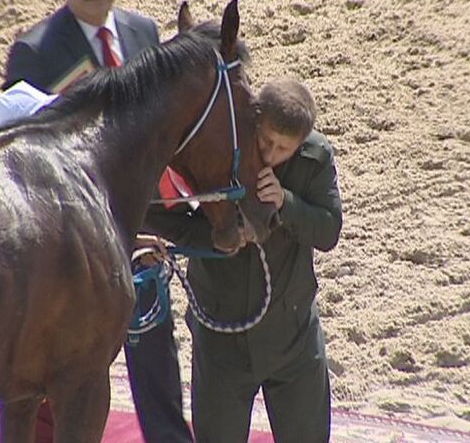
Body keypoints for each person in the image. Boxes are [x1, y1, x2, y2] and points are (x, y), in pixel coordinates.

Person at [2, 0, 193, 443]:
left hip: (142, 221)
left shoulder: (143, 32)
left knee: (154, 353)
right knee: (57, 371)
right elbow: (18, 148)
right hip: (69, 243)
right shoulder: (34, 50)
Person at [142, 78, 343, 442]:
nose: (270, 152)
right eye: (265, 140)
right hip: (221, 336)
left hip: (292, 335)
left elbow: (328, 231)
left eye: (284, 148)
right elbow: (159, 215)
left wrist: (286, 203)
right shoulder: (214, 150)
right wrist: (224, 237)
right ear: (253, 121)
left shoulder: (314, 157)